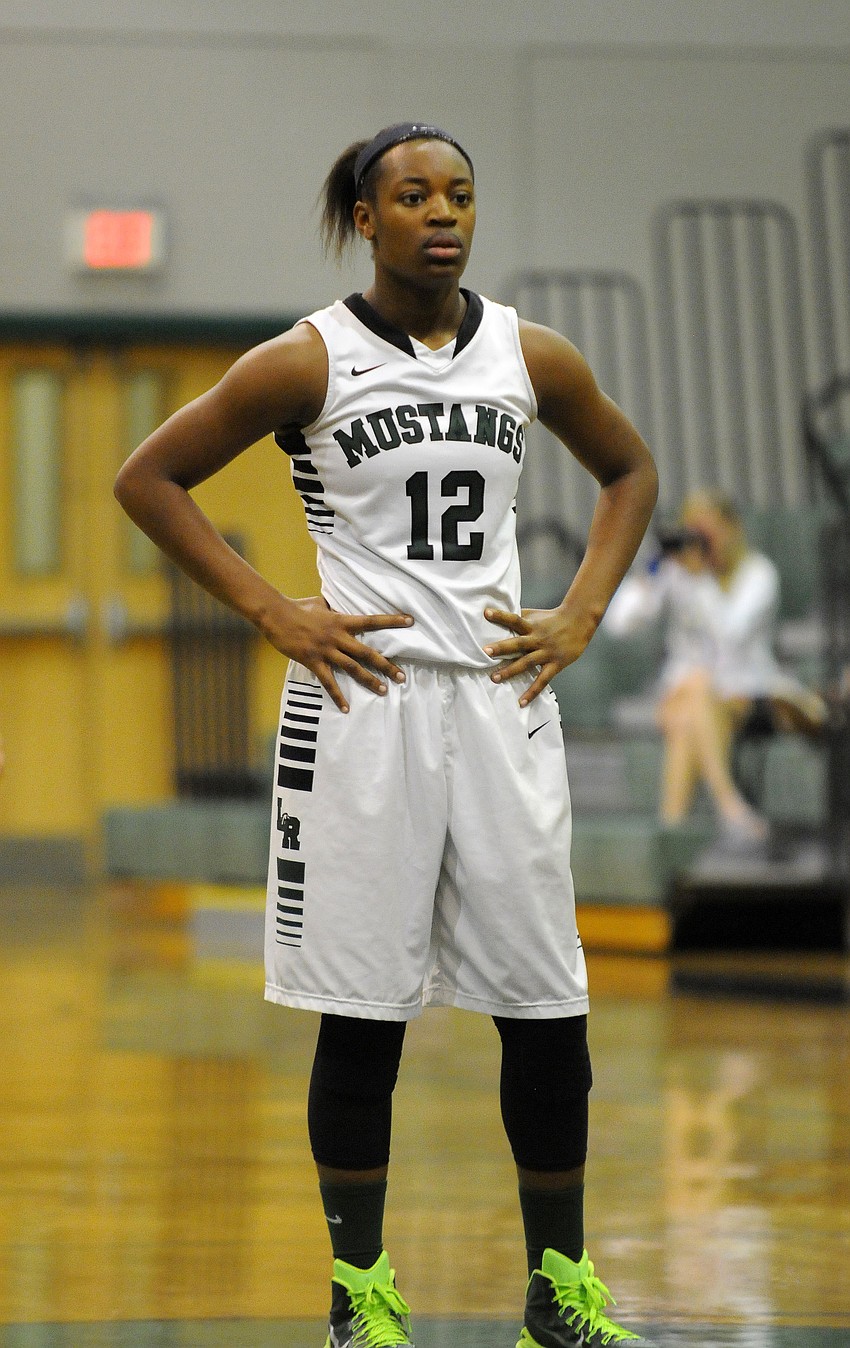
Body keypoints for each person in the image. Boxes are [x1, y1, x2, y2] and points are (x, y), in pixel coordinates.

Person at [114, 122, 659, 1348]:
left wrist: (579, 614)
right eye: (412, 195)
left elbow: (631, 472)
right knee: (362, 1015)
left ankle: (557, 1292)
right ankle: (360, 1293)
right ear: (367, 218)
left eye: (458, 193)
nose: (441, 213)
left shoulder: (532, 353)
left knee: (548, 1008)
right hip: (361, 705)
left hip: (500, 696)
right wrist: (269, 607)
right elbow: (148, 477)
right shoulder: (304, 361)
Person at [604, 489, 826, 841]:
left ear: (732, 529)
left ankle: (672, 830)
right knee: (694, 688)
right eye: (691, 534)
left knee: (690, 709)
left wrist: (699, 580)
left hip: (745, 688)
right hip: (685, 689)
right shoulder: (677, 572)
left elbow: (731, 636)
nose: (700, 545)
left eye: (706, 535)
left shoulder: (758, 574)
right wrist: (652, 569)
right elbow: (617, 624)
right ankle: (729, 808)